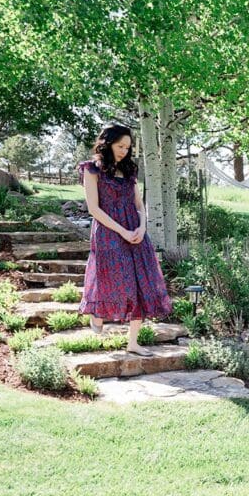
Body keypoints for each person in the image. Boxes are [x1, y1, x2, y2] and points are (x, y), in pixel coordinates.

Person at [78, 124, 173, 356]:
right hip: (109, 232)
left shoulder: (129, 171)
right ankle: (97, 312)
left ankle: (133, 343)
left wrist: (142, 227)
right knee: (111, 278)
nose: (124, 151)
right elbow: (94, 209)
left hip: (135, 232)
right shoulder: (92, 170)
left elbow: (139, 205)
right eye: (120, 146)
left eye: (128, 147)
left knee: (140, 283)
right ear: (107, 143)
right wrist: (122, 231)